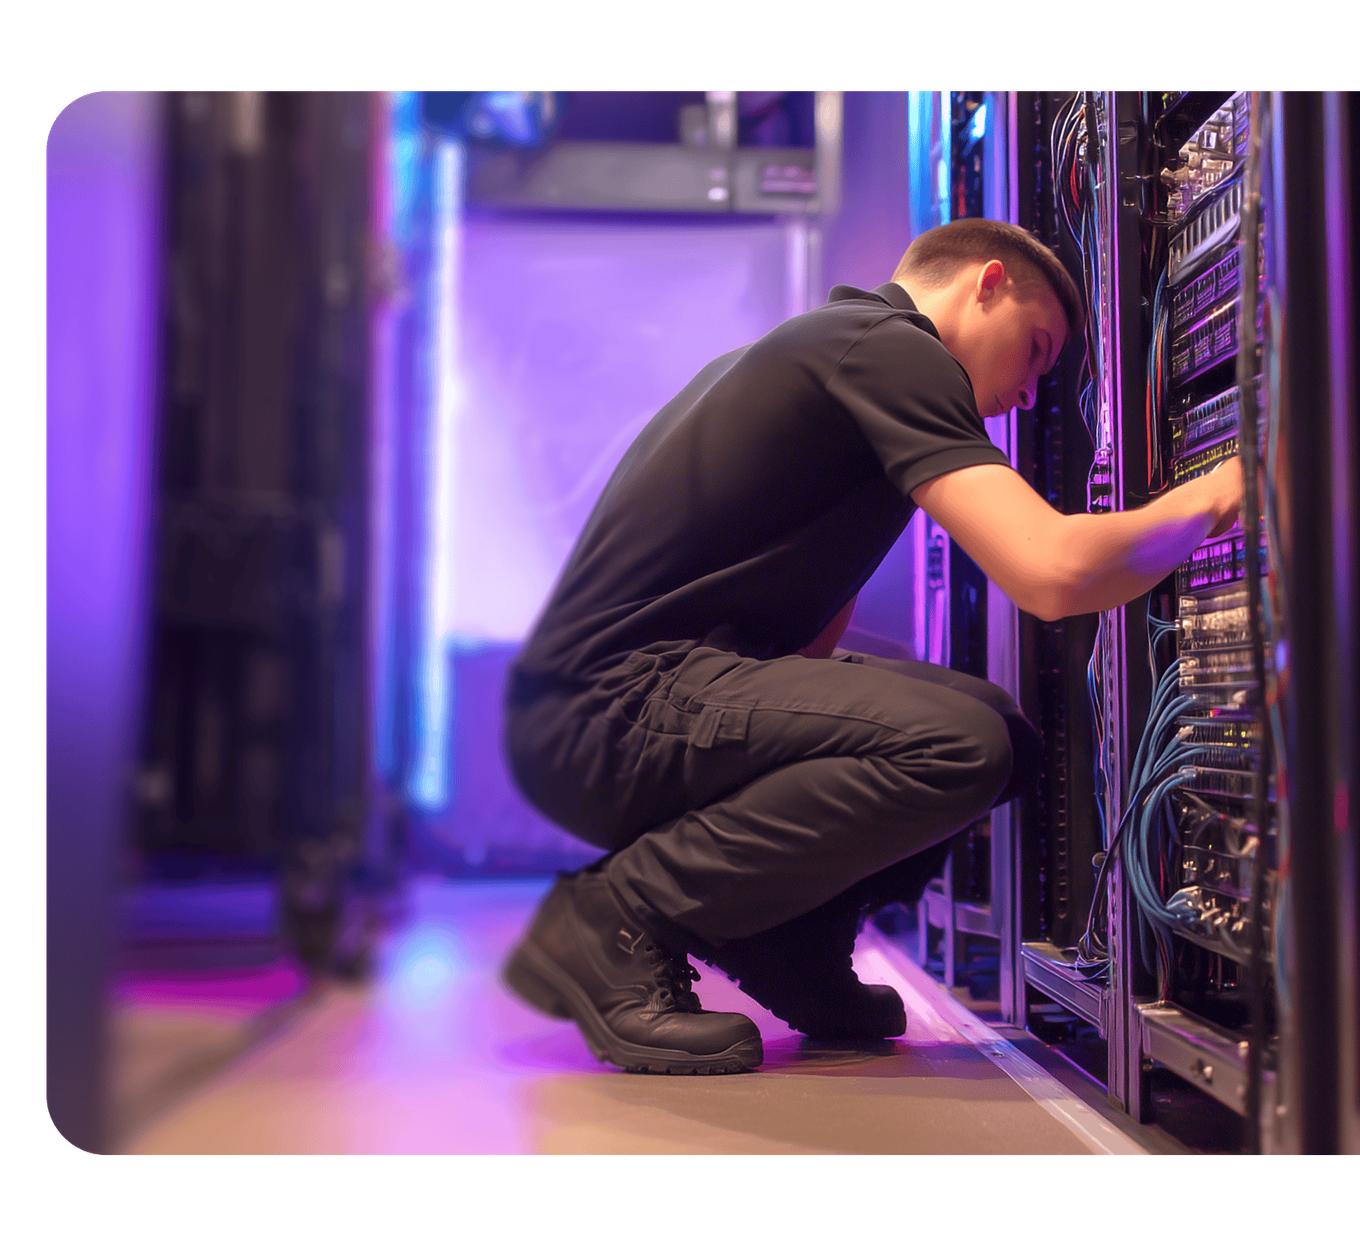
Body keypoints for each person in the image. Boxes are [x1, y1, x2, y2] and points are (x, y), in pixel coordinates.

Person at [500, 218, 1245, 1075]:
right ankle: (615, 918)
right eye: (1037, 350)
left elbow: (810, 646)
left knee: (990, 724)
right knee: (956, 744)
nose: (1034, 393)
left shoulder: (833, 351)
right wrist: (1224, 490)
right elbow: (1050, 575)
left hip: (616, 700)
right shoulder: (892, 349)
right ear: (987, 283)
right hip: (610, 708)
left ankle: (789, 939)